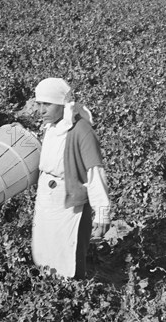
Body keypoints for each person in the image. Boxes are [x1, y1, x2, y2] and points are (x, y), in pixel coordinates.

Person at [32, 78, 111, 278]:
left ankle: (74, 295)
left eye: (47, 105)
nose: (41, 110)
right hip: (47, 200)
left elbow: (95, 174)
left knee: (69, 251)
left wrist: (102, 213)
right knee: (46, 248)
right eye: (39, 104)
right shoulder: (51, 126)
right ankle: (49, 292)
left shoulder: (81, 131)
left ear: (62, 104)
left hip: (69, 203)